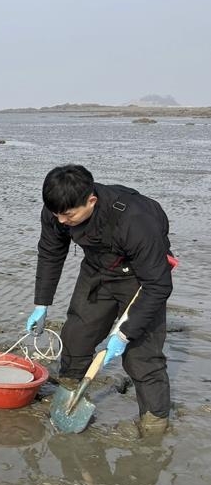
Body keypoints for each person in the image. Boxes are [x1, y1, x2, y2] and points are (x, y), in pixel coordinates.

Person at [25, 165, 176, 436]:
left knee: (142, 356)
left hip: (140, 278)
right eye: (56, 214)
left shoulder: (135, 220)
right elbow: (50, 252)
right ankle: (71, 391)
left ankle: (154, 421)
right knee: (76, 335)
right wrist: (41, 303)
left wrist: (125, 333)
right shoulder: (58, 209)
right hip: (97, 269)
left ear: (91, 201)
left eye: (68, 215)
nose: (60, 221)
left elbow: (159, 284)